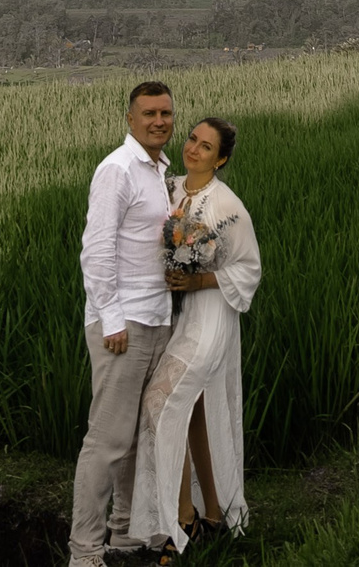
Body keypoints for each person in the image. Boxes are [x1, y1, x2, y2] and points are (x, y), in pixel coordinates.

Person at [131, 116, 262, 557]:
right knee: (197, 412)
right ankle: (214, 514)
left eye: (206, 147)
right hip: (172, 317)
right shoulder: (167, 189)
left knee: (159, 403)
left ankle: (180, 517)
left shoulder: (227, 206)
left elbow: (249, 269)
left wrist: (200, 282)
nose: (193, 148)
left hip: (209, 320)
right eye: (192, 139)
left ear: (220, 158)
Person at [73, 83, 178, 567]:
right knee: (108, 439)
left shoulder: (160, 170)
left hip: (157, 317)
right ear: (130, 118)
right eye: (150, 113)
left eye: (166, 113)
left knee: (139, 436)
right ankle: (85, 553)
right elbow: (96, 250)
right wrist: (111, 318)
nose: (160, 121)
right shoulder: (117, 169)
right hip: (124, 324)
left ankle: (124, 534)